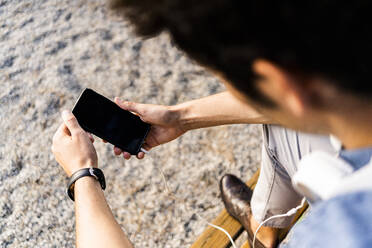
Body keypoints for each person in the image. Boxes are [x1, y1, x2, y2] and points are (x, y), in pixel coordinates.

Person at [51, 0, 372, 247]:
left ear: (285, 84)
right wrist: (181, 118)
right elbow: (299, 100)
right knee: (282, 127)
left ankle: (262, 228)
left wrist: (83, 174)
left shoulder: (338, 233)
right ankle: (263, 227)